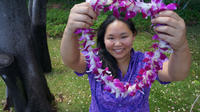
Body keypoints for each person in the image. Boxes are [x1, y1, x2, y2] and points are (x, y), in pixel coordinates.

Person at [60, 2, 191, 112]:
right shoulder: (95, 61)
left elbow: (176, 74)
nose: (118, 44)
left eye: (124, 36)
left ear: (133, 35)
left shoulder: (146, 62)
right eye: (111, 38)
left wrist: (181, 46)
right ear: (103, 39)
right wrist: (70, 30)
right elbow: (72, 60)